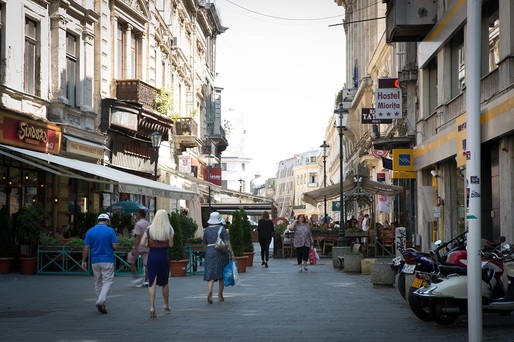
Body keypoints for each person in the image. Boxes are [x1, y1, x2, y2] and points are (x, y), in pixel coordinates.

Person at [81, 213, 118, 314]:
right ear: (107, 221)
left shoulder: (90, 231)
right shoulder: (110, 231)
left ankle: (101, 304)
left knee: (98, 283)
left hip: (95, 260)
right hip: (107, 259)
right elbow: (115, 247)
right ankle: (101, 301)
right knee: (108, 281)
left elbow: (86, 247)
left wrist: (83, 260)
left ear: (98, 221)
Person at [144, 209, 174, 318]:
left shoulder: (149, 229)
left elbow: (143, 243)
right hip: (163, 257)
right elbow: (171, 245)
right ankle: (166, 304)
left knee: (151, 282)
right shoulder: (169, 230)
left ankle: (152, 307)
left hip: (152, 256)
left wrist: (151, 243)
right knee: (164, 282)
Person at [203, 211, 232, 304]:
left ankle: (209, 292)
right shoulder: (222, 229)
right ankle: (220, 294)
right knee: (221, 274)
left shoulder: (206, 230)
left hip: (209, 252)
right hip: (220, 253)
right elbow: (227, 242)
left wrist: (208, 250)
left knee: (210, 273)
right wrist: (232, 252)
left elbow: (204, 244)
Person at [127, 209, 150, 287]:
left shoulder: (138, 224)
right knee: (147, 264)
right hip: (147, 246)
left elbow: (138, 237)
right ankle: (146, 281)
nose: (136, 215)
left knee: (130, 259)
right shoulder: (148, 223)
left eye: (136, 213)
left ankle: (137, 278)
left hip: (139, 246)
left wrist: (134, 247)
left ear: (139, 214)